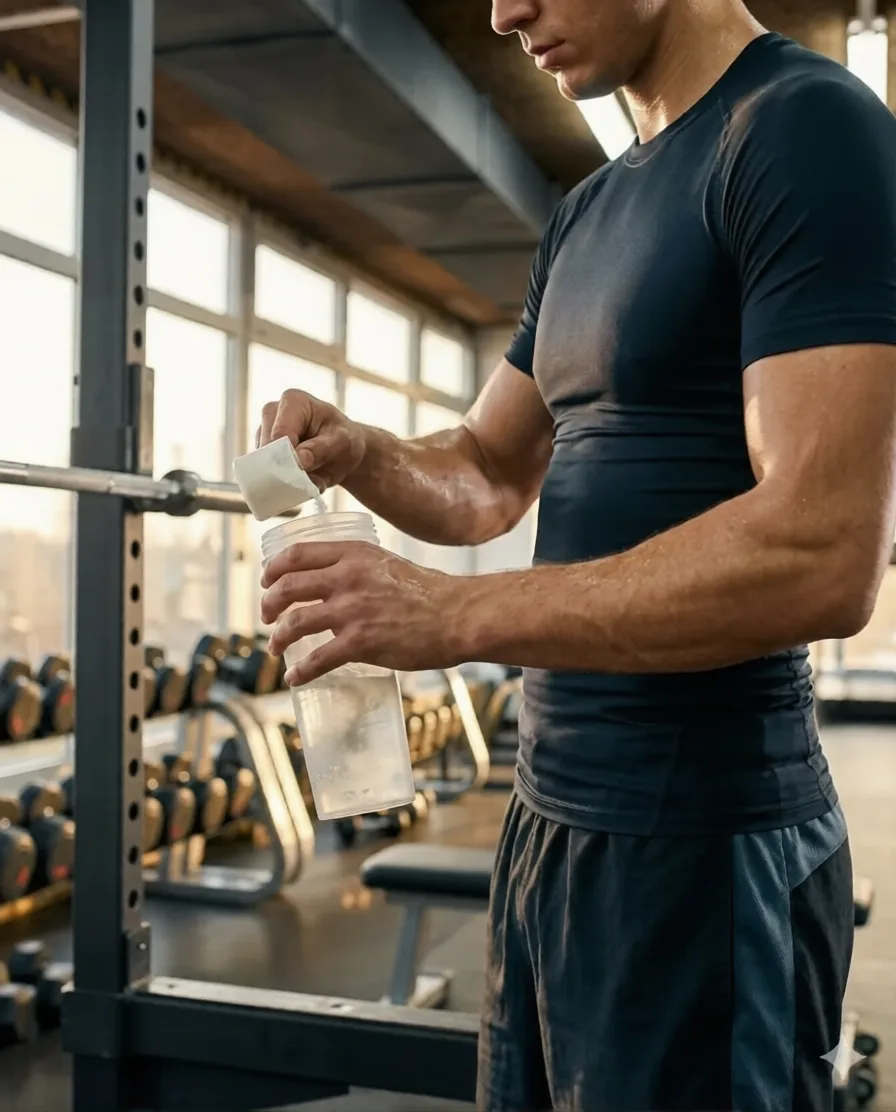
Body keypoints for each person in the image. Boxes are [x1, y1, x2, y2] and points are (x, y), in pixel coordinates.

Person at [257, 0, 896, 1107]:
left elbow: (823, 547)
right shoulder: (586, 209)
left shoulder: (803, 129)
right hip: (549, 828)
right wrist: (362, 452)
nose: (505, 14)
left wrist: (450, 616)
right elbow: (485, 472)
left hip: (701, 838)